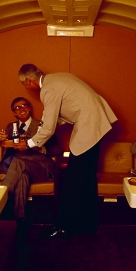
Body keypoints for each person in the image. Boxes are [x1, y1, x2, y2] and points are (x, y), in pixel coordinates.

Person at [18, 63, 117, 238]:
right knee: (86, 178)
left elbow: (48, 128)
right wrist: (44, 126)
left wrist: (29, 144)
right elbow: (64, 113)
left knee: (72, 180)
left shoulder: (47, 89)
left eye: (23, 84)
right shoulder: (59, 77)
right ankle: (87, 225)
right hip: (96, 122)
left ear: (28, 81)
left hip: (90, 125)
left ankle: (63, 226)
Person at [0, 97, 62, 220]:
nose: (22, 109)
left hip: (41, 166)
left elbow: (58, 149)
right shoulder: (10, 127)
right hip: (21, 169)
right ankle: (19, 221)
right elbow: (8, 147)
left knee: (18, 162)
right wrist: (5, 142)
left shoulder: (42, 125)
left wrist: (39, 148)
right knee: (23, 178)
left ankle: (0, 200)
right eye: (18, 108)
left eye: (24, 105)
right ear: (14, 113)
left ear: (29, 108)